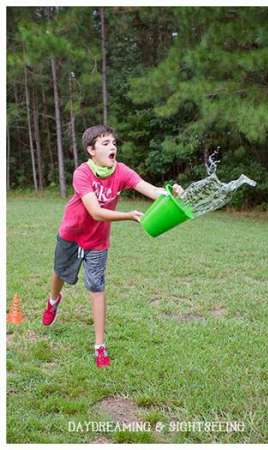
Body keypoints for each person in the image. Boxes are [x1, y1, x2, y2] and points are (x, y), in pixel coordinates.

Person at [41, 124, 183, 368]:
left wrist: (170, 193)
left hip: (98, 242)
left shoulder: (122, 171)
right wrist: (129, 215)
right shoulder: (82, 173)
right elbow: (96, 212)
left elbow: (150, 189)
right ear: (91, 150)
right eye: (105, 143)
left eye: (114, 143)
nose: (112, 147)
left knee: (97, 286)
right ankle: (54, 300)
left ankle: (99, 346)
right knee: (60, 272)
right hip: (71, 234)